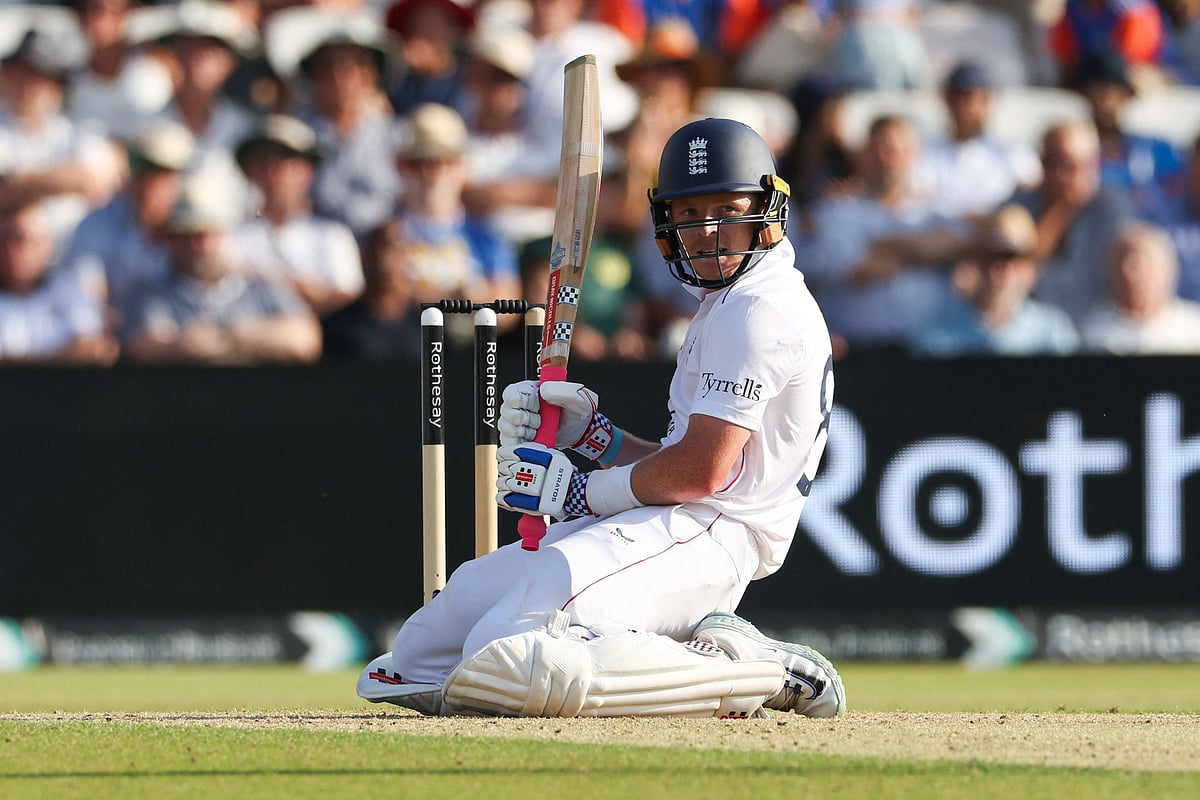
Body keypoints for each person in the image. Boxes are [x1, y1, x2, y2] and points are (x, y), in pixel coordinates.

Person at [357, 118, 845, 721]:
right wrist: (598, 439)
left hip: (716, 536)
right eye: (691, 214)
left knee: (505, 650)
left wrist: (578, 491)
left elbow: (703, 472)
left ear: (769, 211)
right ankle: (625, 651)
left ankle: (749, 667)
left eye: (728, 208)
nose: (709, 230)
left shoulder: (759, 309)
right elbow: (681, 460)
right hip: (673, 518)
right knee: (420, 651)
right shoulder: (726, 302)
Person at [120, 172, 322, 364]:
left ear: (225, 234)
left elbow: (305, 340)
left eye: (207, 233)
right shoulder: (151, 295)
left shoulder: (262, 287)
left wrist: (232, 335)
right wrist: (187, 344)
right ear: (169, 238)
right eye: (186, 235)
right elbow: (141, 346)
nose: (198, 245)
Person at [230, 114, 364, 317]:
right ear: (249, 170)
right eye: (263, 161)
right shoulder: (231, 237)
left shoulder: (332, 236)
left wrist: (271, 281)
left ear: (307, 170)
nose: (274, 171)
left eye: (286, 159)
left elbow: (347, 300)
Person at [60, 119, 194, 315]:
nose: (149, 181)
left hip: (179, 330)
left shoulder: (198, 224)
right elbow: (85, 292)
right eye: (140, 167)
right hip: (118, 332)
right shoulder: (96, 224)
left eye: (162, 171)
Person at [909, 204, 1080, 356]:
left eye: (1011, 260)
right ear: (976, 263)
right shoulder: (936, 334)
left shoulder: (1053, 332)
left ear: (1031, 269)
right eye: (990, 258)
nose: (999, 270)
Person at [910, 61, 1042, 219]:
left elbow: (1031, 195)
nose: (965, 108)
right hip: (944, 235)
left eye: (973, 98)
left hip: (999, 236)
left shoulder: (1014, 152)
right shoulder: (926, 153)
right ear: (946, 101)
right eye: (957, 98)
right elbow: (919, 202)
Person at [0, 201, 117, 365]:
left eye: (20, 239)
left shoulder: (70, 286)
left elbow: (97, 348)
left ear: (46, 245)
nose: (11, 250)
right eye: (3, 240)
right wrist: (61, 355)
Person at [1079, 221, 1200, 353]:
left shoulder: (1194, 328)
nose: (1132, 276)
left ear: (1169, 270)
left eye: (1145, 265)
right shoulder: (1094, 335)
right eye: (1123, 264)